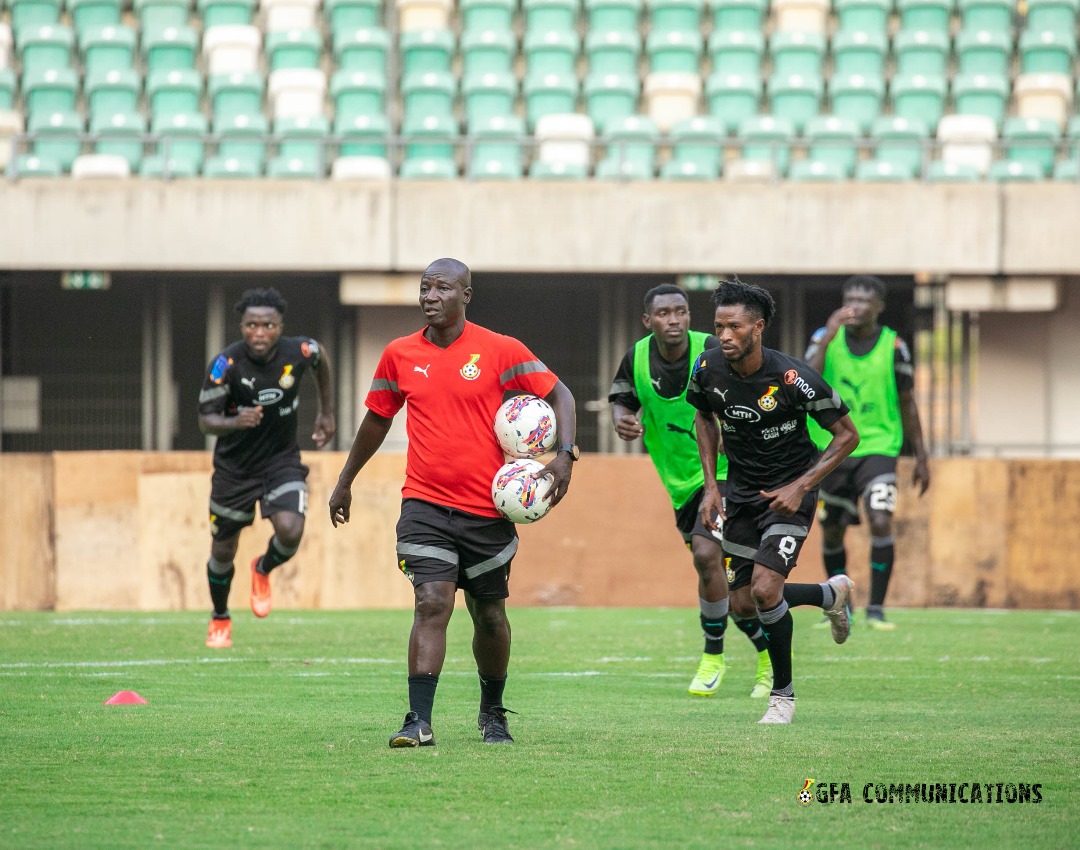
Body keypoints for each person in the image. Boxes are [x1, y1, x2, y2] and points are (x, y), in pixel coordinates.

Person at [328, 258, 577, 748]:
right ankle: (417, 721)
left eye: (442, 288)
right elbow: (377, 419)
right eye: (425, 288)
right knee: (431, 601)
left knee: (488, 615)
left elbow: (560, 394)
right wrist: (345, 479)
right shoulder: (398, 354)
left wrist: (565, 455)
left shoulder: (500, 349)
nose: (430, 296)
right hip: (423, 504)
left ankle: (492, 713)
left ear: (466, 295)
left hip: (488, 508)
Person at [687, 277, 860, 725]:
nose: (725, 335)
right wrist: (711, 486)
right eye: (719, 326)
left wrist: (801, 486)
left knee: (765, 590)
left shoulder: (793, 378)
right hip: (740, 494)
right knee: (742, 602)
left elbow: (847, 436)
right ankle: (830, 595)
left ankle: (782, 697)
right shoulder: (706, 369)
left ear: (758, 327)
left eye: (735, 327)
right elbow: (704, 417)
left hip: (789, 494)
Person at [608, 283, 774, 699]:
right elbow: (621, 399)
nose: (675, 320)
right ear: (649, 321)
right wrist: (622, 419)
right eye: (664, 313)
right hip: (682, 487)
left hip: (731, 478)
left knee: (707, 556)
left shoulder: (714, 349)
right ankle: (769, 656)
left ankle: (712, 656)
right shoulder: (637, 357)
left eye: (681, 311)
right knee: (736, 600)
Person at [198, 287, 336, 649]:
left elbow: (321, 357)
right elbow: (205, 420)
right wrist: (234, 421)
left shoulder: (299, 351)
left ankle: (262, 568)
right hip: (234, 470)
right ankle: (220, 617)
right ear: (241, 327)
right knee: (223, 550)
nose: (259, 333)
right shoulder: (225, 365)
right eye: (252, 325)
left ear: (280, 327)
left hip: (281, 461)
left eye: (268, 325)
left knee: (290, 531)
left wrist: (327, 411)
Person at [803, 275, 931, 631]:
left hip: (878, 445)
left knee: (879, 518)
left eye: (863, 300)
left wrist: (921, 457)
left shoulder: (894, 347)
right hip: (832, 447)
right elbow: (805, 381)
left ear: (879, 307)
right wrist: (828, 334)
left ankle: (876, 608)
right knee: (830, 530)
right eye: (850, 298)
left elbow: (908, 402)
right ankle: (844, 606)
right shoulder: (823, 338)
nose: (855, 305)